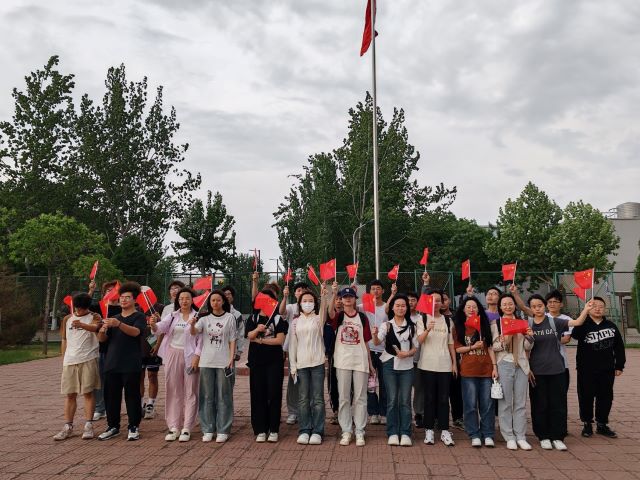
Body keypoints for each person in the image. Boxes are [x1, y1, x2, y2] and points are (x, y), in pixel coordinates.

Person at [512, 290, 590, 451]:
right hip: (537, 371)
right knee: (539, 404)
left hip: (557, 370)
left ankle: (558, 436)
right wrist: (528, 368)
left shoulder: (555, 322)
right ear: (531, 309)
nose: (537, 308)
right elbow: (524, 349)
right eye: (534, 306)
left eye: (540, 305)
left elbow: (577, 322)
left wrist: (586, 309)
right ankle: (543, 436)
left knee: (558, 404)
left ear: (545, 306)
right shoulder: (528, 325)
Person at [97, 282, 147, 441]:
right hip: (112, 362)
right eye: (122, 297)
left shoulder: (138, 316)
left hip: (130, 363)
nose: (123, 300)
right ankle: (113, 426)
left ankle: (133, 426)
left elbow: (136, 332)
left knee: (132, 396)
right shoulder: (113, 318)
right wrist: (102, 330)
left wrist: (119, 324)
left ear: (134, 300)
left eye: (127, 297)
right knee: (111, 396)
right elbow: (102, 340)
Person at [150, 287, 200, 442]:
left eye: (187, 298)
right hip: (173, 354)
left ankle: (187, 427)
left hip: (190, 356)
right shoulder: (172, 316)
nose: (184, 301)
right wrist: (153, 324)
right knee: (173, 390)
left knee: (191, 391)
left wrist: (197, 357)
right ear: (177, 301)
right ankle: (174, 426)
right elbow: (159, 329)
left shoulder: (197, 316)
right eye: (181, 298)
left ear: (192, 300)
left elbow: (201, 340)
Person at [571, 296, 625, 439]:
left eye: (601, 306)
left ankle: (602, 424)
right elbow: (575, 335)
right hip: (586, 369)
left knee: (605, 397)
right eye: (594, 306)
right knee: (586, 396)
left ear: (605, 309)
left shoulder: (611, 326)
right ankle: (587, 424)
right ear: (588, 308)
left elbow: (619, 347)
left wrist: (619, 365)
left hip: (607, 369)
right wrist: (583, 314)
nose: (597, 309)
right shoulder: (583, 324)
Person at [328, 287, 374, 447]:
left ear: (355, 299)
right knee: (344, 397)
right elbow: (330, 313)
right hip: (342, 361)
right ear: (341, 299)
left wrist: (370, 363)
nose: (347, 299)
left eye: (350, 296)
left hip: (360, 361)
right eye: (344, 296)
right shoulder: (339, 316)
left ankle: (360, 430)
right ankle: (346, 430)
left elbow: (366, 342)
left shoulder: (362, 317)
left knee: (361, 398)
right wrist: (333, 294)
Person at [190, 290, 237, 443]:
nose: (215, 303)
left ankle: (223, 429)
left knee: (224, 396)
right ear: (209, 303)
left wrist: (231, 358)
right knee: (206, 396)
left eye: (218, 300)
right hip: (206, 362)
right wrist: (192, 324)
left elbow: (232, 339)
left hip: (223, 361)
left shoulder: (230, 318)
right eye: (212, 300)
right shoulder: (204, 319)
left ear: (223, 301)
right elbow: (194, 333)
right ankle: (208, 428)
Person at [53, 293, 102, 440]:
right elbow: (64, 339)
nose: (79, 311)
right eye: (77, 308)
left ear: (87, 307)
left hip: (88, 359)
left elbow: (96, 328)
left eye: (82, 308)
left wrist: (82, 325)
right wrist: (64, 358)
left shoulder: (95, 316)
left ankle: (88, 425)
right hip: (70, 361)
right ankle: (68, 426)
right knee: (70, 394)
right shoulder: (67, 319)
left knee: (88, 393)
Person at [373, 294, 418, 446]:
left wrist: (407, 354)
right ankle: (392, 432)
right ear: (392, 307)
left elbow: (416, 347)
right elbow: (377, 342)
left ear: (407, 308)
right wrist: (374, 335)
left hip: (407, 366)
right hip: (389, 365)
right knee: (392, 400)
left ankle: (405, 432)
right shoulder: (386, 325)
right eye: (397, 305)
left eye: (403, 305)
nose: (400, 308)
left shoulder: (412, 326)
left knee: (405, 400)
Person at [453, 296, 498, 448]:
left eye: (474, 307)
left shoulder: (485, 326)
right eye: (468, 307)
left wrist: (494, 367)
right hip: (468, 372)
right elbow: (458, 349)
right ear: (463, 310)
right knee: (470, 405)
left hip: (486, 371)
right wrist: (473, 347)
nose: (471, 309)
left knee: (487, 404)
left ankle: (488, 434)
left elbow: (490, 348)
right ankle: (474, 434)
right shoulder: (459, 327)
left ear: (479, 309)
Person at [491, 293, 534, 450]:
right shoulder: (497, 324)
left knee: (520, 403)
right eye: (504, 304)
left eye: (510, 304)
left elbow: (527, 347)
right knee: (505, 403)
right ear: (500, 307)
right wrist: (503, 341)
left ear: (515, 306)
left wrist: (530, 337)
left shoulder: (522, 322)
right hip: (505, 363)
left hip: (521, 364)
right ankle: (509, 435)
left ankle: (521, 436)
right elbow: (493, 347)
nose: (508, 307)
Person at [245, 288, 288, 443]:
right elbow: (249, 336)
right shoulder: (253, 318)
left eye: (269, 299)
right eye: (261, 299)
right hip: (256, 362)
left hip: (274, 362)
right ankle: (260, 429)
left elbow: (279, 340)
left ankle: (274, 429)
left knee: (274, 394)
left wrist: (261, 340)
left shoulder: (278, 319)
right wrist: (257, 329)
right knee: (258, 394)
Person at [416, 290, 457, 446]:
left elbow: (451, 343)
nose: (436, 303)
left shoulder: (448, 320)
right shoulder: (422, 318)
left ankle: (445, 430)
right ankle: (429, 430)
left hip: (445, 364)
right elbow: (419, 341)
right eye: (432, 300)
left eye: (438, 300)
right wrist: (428, 329)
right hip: (427, 364)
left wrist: (454, 363)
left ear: (443, 303)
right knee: (429, 398)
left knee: (443, 399)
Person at [289, 287, 328, 445]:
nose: (307, 303)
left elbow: (324, 312)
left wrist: (324, 296)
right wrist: (293, 366)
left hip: (318, 363)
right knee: (303, 399)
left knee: (318, 399)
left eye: (310, 301)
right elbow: (293, 345)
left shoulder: (318, 319)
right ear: (299, 303)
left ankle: (318, 431)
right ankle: (305, 430)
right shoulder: (295, 322)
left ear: (315, 303)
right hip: (301, 365)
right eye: (304, 301)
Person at [90, 280, 120, 421]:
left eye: (114, 290)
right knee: (99, 380)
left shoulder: (124, 308)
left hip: (118, 350)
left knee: (115, 381)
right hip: (101, 349)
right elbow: (84, 306)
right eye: (108, 290)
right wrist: (91, 290)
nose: (111, 293)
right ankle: (99, 408)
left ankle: (112, 408)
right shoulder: (99, 307)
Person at [279, 281, 309, 425]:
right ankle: (293, 411)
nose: (301, 292)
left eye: (304, 290)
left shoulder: (312, 307)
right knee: (293, 380)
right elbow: (281, 312)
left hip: (309, 348)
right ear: (295, 293)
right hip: (294, 349)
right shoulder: (291, 307)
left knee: (308, 380)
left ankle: (306, 411)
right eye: (298, 290)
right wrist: (284, 297)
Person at [359, 279, 387, 425]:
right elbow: (350, 307)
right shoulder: (364, 306)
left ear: (383, 291)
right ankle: (373, 412)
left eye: (378, 288)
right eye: (373, 288)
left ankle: (384, 412)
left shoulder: (387, 307)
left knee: (385, 384)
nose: (375, 291)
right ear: (369, 291)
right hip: (368, 349)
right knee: (370, 384)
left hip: (384, 351)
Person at [324, 282, 343, 425]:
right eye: (337, 299)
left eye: (341, 298)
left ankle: (346, 412)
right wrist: (333, 292)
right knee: (333, 384)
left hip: (347, 355)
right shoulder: (330, 316)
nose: (339, 301)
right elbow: (330, 311)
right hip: (333, 355)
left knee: (347, 386)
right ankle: (336, 411)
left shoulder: (349, 315)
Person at [222, 286, 245, 362]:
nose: (227, 296)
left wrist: (239, 351)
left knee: (229, 369)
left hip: (231, 350)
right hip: (216, 350)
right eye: (225, 294)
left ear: (232, 297)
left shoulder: (237, 315)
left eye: (229, 294)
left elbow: (240, 333)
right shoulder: (215, 313)